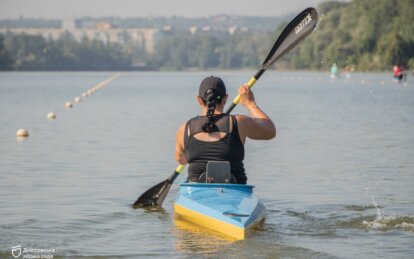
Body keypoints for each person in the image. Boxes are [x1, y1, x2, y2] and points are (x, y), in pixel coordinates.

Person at [175, 76, 276, 184]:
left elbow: (181, 159)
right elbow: (270, 131)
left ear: (199, 100)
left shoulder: (185, 128)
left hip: (196, 192)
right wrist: (250, 104)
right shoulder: (239, 122)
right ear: (225, 98)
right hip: (236, 190)